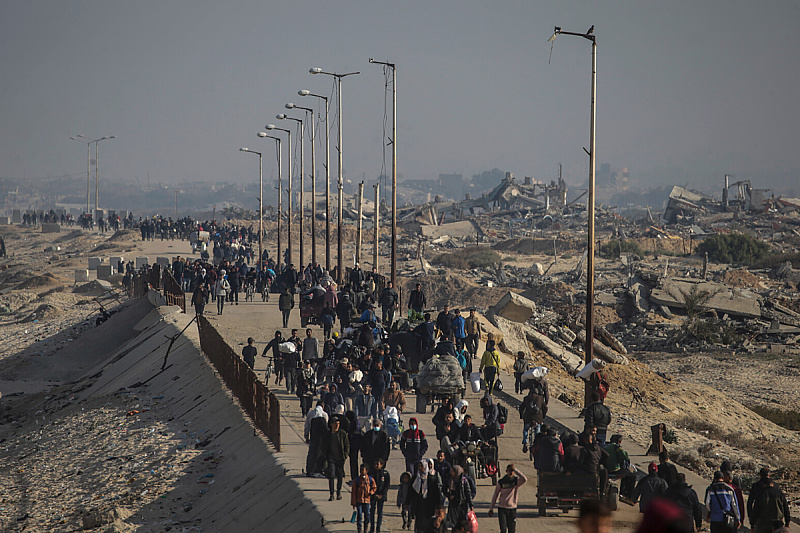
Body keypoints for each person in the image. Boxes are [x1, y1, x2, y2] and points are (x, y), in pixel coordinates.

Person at [489, 464, 527, 533]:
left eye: (512, 471)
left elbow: (524, 479)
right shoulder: (501, 482)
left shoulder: (516, 481)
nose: (511, 472)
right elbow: (495, 495)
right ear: (506, 471)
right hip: (502, 509)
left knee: (511, 530)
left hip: (512, 509)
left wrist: (515, 470)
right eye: (509, 471)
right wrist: (491, 509)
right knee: (503, 530)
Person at [319, 417, 350, 501]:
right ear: (331, 424)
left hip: (340, 458)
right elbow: (323, 445)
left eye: (338, 424)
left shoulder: (342, 434)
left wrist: (345, 455)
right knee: (331, 476)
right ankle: (332, 493)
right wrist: (325, 456)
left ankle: (339, 492)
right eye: (335, 424)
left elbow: (347, 445)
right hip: (331, 458)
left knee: (340, 476)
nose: (337, 426)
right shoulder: (327, 435)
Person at [410, 459, 442, 533]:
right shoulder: (416, 477)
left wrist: (438, 505)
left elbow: (436, 492)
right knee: (419, 523)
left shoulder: (431, 478)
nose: (420, 468)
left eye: (422, 466)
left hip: (428, 504)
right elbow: (412, 491)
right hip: (419, 504)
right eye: (419, 466)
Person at [304, 402, 329, 476]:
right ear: (323, 407)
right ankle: (319, 470)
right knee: (321, 454)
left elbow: (307, 426)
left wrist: (306, 436)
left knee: (312, 453)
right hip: (322, 438)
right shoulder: (324, 415)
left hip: (313, 437)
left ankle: (310, 470)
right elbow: (326, 427)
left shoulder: (310, 413)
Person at [351, 463, 377, 533]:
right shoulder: (357, 480)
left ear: (366, 471)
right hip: (359, 500)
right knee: (359, 515)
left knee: (367, 515)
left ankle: (366, 528)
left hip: (367, 500)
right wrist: (353, 502)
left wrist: (371, 492)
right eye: (361, 470)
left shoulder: (370, 480)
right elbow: (353, 492)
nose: (361, 471)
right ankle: (359, 529)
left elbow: (374, 487)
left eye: (363, 470)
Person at [519, 387, 545, 453]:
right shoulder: (541, 398)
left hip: (528, 418)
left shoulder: (526, 398)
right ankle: (537, 443)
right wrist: (543, 416)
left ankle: (525, 442)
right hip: (537, 419)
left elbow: (521, 407)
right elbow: (545, 408)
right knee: (537, 432)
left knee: (525, 430)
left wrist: (521, 416)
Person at [369, 458, 391, 533]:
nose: (376, 465)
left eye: (377, 464)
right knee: (372, 511)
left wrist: (382, 494)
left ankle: (378, 528)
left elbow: (387, 485)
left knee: (380, 512)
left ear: (382, 464)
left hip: (381, 496)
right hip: (372, 496)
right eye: (375, 464)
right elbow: (368, 485)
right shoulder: (371, 473)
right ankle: (372, 528)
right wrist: (373, 494)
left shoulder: (385, 474)